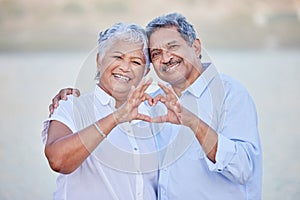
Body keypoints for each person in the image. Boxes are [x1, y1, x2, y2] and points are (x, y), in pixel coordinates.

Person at [49, 13, 262, 200]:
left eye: (173, 47)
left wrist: (193, 123)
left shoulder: (229, 94)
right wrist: (73, 97)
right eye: (157, 53)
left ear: (196, 46)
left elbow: (243, 169)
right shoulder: (151, 103)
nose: (166, 58)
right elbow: (60, 159)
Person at [42, 22, 160, 200]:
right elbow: (58, 161)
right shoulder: (72, 106)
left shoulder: (154, 115)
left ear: (146, 71)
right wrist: (116, 117)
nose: (125, 67)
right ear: (99, 61)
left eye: (135, 62)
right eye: (117, 57)